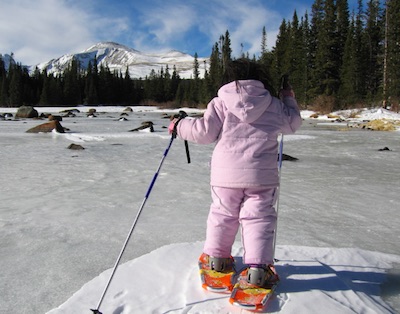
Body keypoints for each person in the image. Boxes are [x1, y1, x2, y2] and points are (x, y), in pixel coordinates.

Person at [169, 58, 302, 289]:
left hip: (225, 176)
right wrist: (288, 98)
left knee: (222, 214)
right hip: (262, 176)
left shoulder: (220, 103)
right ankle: (257, 270)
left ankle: (218, 260)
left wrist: (179, 125)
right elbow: (293, 123)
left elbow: (203, 132)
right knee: (258, 218)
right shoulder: (273, 104)